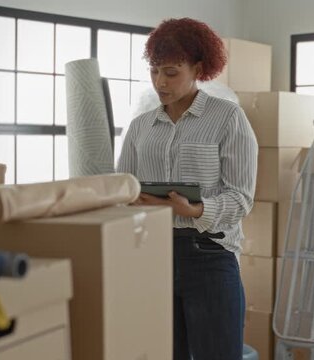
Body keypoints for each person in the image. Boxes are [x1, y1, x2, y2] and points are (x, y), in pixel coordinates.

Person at [117, 17, 258, 360]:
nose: (160, 82)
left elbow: (241, 197)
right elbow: (122, 186)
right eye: (154, 71)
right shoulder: (140, 127)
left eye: (171, 72)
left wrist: (194, 210)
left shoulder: (227, 118)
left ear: (198, 68)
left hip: (209, 256)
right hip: (151, 255)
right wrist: (132, 200)